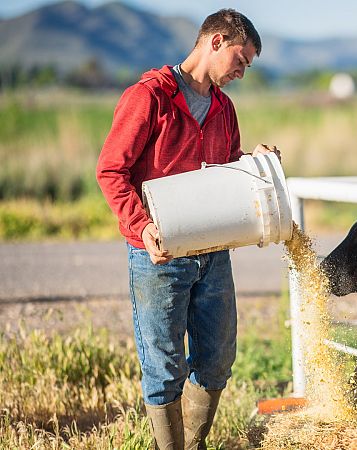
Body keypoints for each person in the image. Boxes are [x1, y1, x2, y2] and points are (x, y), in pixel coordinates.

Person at [96, 9, 277, 449]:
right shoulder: (149, 97)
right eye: (241, 57)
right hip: (158, 254)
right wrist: (142, 228)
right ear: (215, 41)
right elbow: (111, 171)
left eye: (249, 65)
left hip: (213, 253)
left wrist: (252, 162)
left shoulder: (223, 108)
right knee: (164, 367)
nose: (242, 69)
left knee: (217, 360)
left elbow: (226, 170)